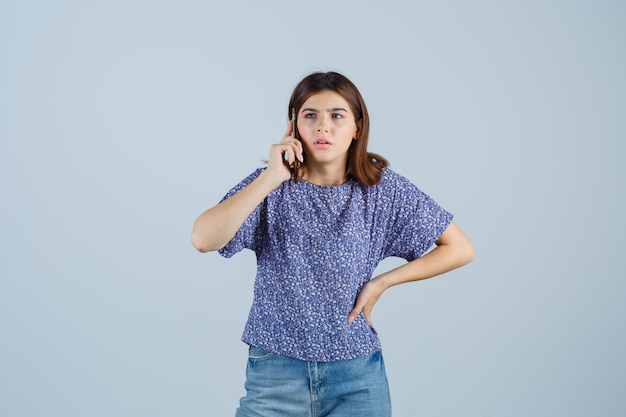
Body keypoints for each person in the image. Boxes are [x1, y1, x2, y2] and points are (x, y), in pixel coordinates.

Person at [191, 71, 474, 417]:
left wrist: (382, 282)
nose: (322, 127)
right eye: (310, 116)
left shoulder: (383, 190)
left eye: (337, 116)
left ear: (357, 127)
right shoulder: (269, 187)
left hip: (356, 376)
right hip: (276, 369)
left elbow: (460, 248)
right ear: (294, 126)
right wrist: (272, 177)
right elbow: (203, 238)